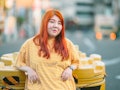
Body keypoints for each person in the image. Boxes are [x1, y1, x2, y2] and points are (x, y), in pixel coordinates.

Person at [15, 9, 80, 90]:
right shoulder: (30, 44)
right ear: (45, 23)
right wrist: (29, 69)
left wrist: (70, 69)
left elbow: (76, 62)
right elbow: (18, 63)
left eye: (59, 23)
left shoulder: (68, 44)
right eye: (52, 22)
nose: (56, 25)